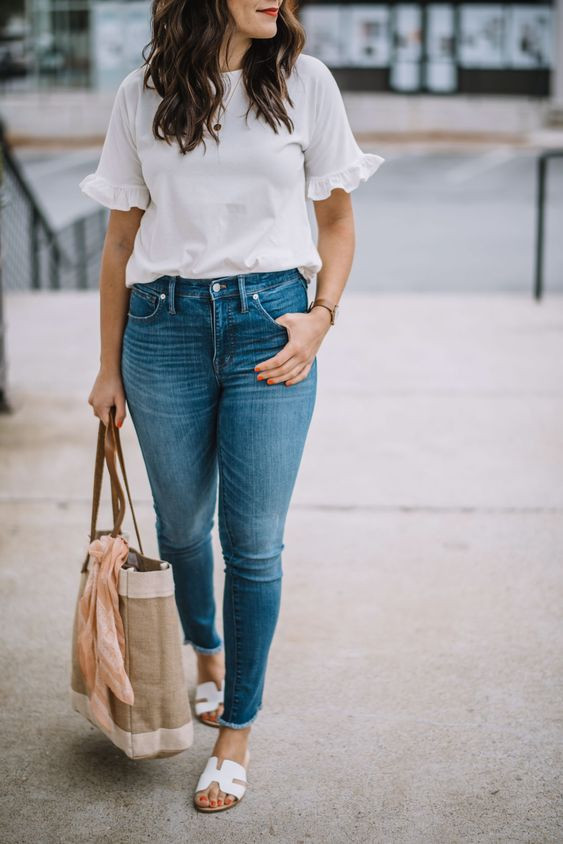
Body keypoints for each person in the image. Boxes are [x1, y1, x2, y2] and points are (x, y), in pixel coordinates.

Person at [80, 0, 384, 814]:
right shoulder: (143, 91)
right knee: (181, 530)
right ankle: (204, 652)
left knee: (252, 545)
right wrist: (105, 367)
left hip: (271, 326)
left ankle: (236, 731)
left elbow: (338, 220)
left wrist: (321, 317)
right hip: (162, 330)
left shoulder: (303, 82)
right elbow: (118, 241)